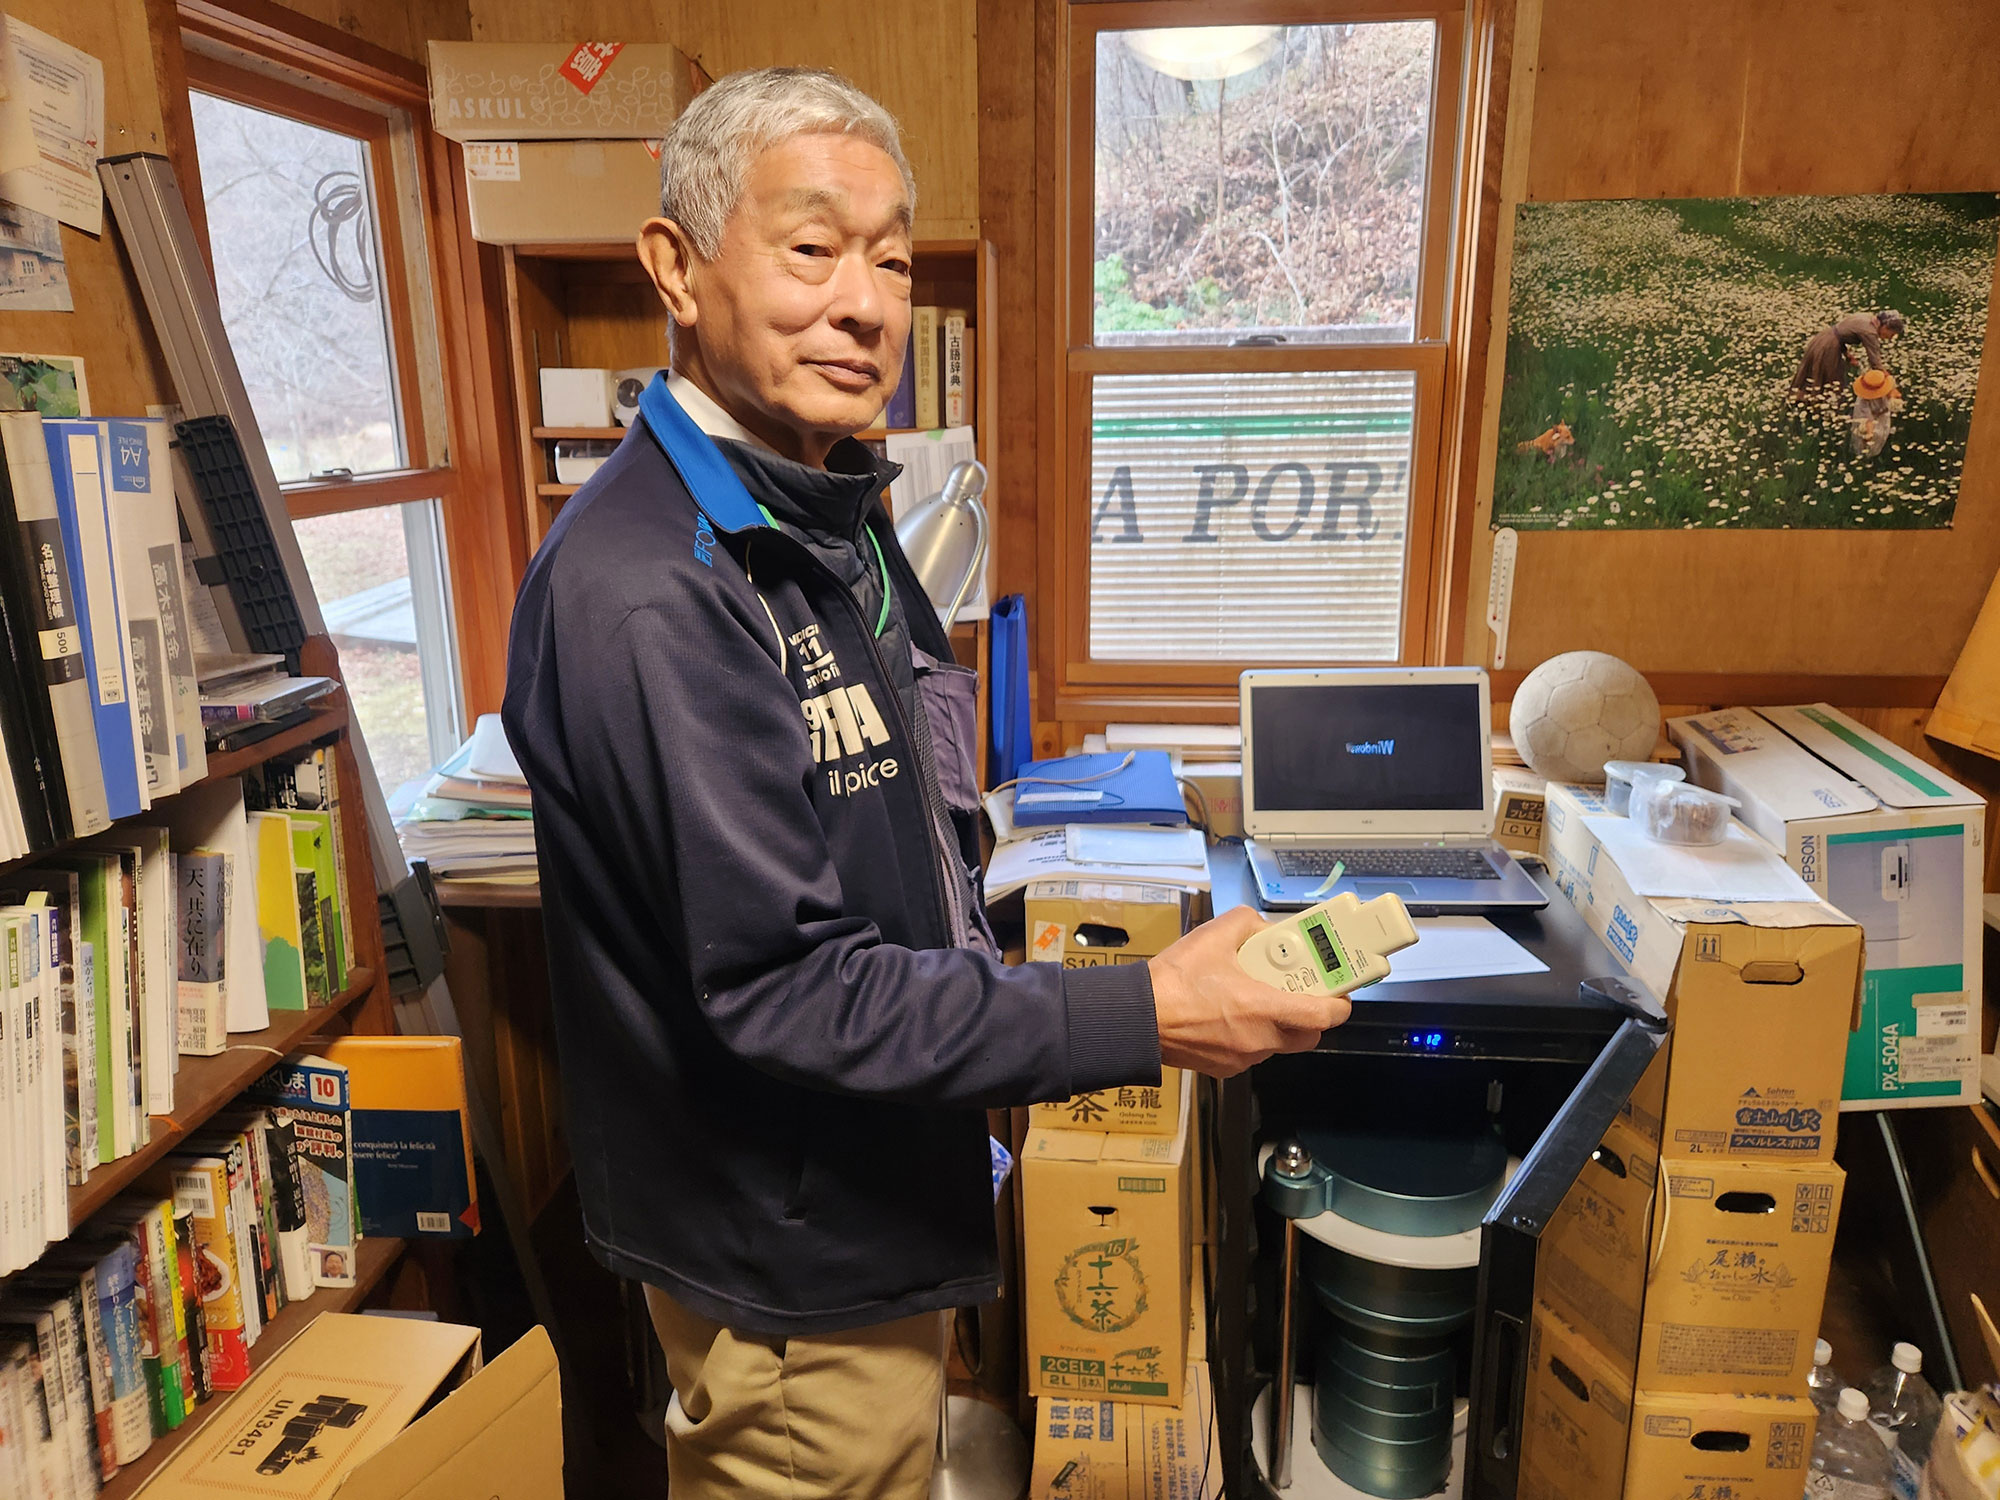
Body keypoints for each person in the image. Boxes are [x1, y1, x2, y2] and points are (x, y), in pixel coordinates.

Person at [501, 67, 1344, 1499]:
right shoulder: (653, 589)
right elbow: (786, 983)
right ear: (676, 268)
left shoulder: (822, 507)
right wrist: (1147, 1009)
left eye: (891, 258)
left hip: (881, 1192)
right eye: (811, 247)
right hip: (790, 1267)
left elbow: (903, 820)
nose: (866, 301)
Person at [1792, 309, 1906, 395]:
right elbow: (1875, 362)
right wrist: (1890, 384)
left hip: (1823, 338)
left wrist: (1847, 355)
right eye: (1891, 334)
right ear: (1885, 326)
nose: (1890, 338)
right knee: (1829, 378)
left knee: (1813, 373)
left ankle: (1803, 398)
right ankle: (1816, 405)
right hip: (1828, 346)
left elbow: (1840, 332)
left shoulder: (1867, 317)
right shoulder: (1870, 332)